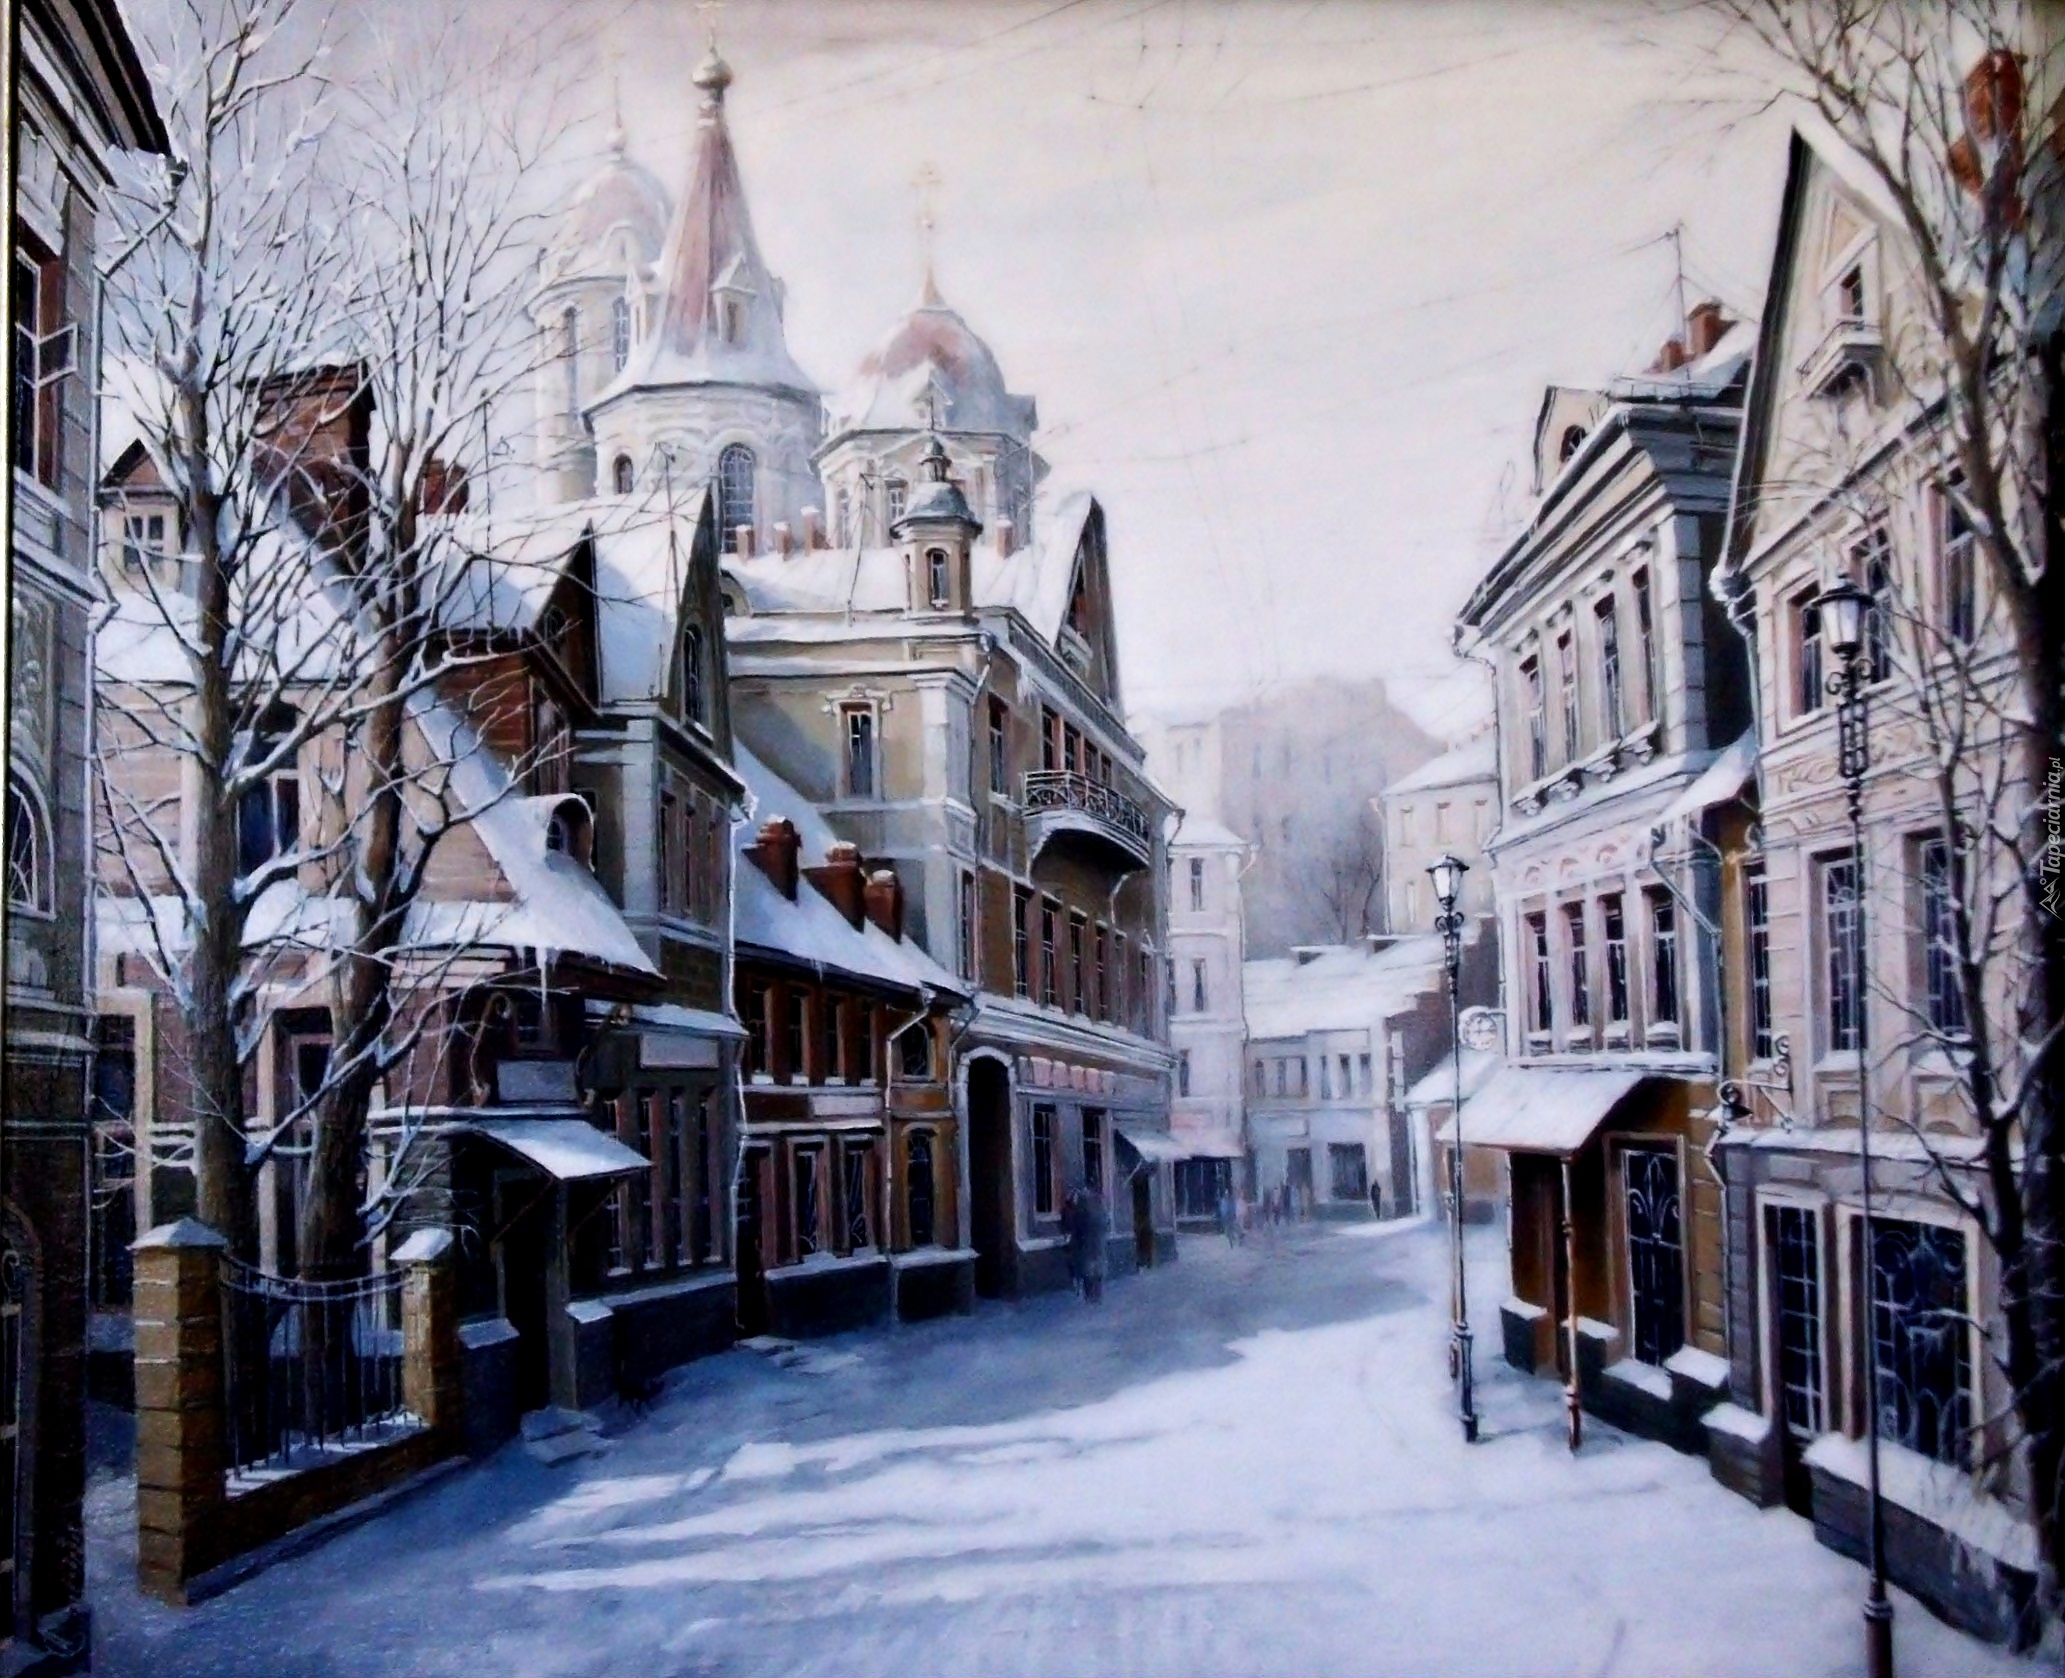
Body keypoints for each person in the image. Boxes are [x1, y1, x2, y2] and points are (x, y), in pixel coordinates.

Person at [1070, 1180, 1109, 1304]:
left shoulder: (1083, 1203)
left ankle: (1090, 1295)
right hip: (1098, 1242)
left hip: (1086, 1243)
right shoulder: (1100, 1203)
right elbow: (1106, 1222)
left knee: (1088, 1269)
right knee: (1097, 1268)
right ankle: (1097, 1295)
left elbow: (1077, 1224)